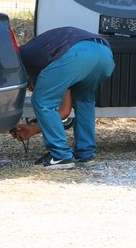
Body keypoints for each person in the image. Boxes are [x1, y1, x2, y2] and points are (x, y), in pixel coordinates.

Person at [15, 27, 115, 169]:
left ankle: (60, 155)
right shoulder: (47, 57)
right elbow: (65, 110)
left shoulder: (22, 57)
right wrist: (32, 129)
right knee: (84, 100)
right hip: (104, 53)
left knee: (42, 100)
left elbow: (50, 103)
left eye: (29, 87)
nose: (30, 89)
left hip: (76, 53)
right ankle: (84, 154)